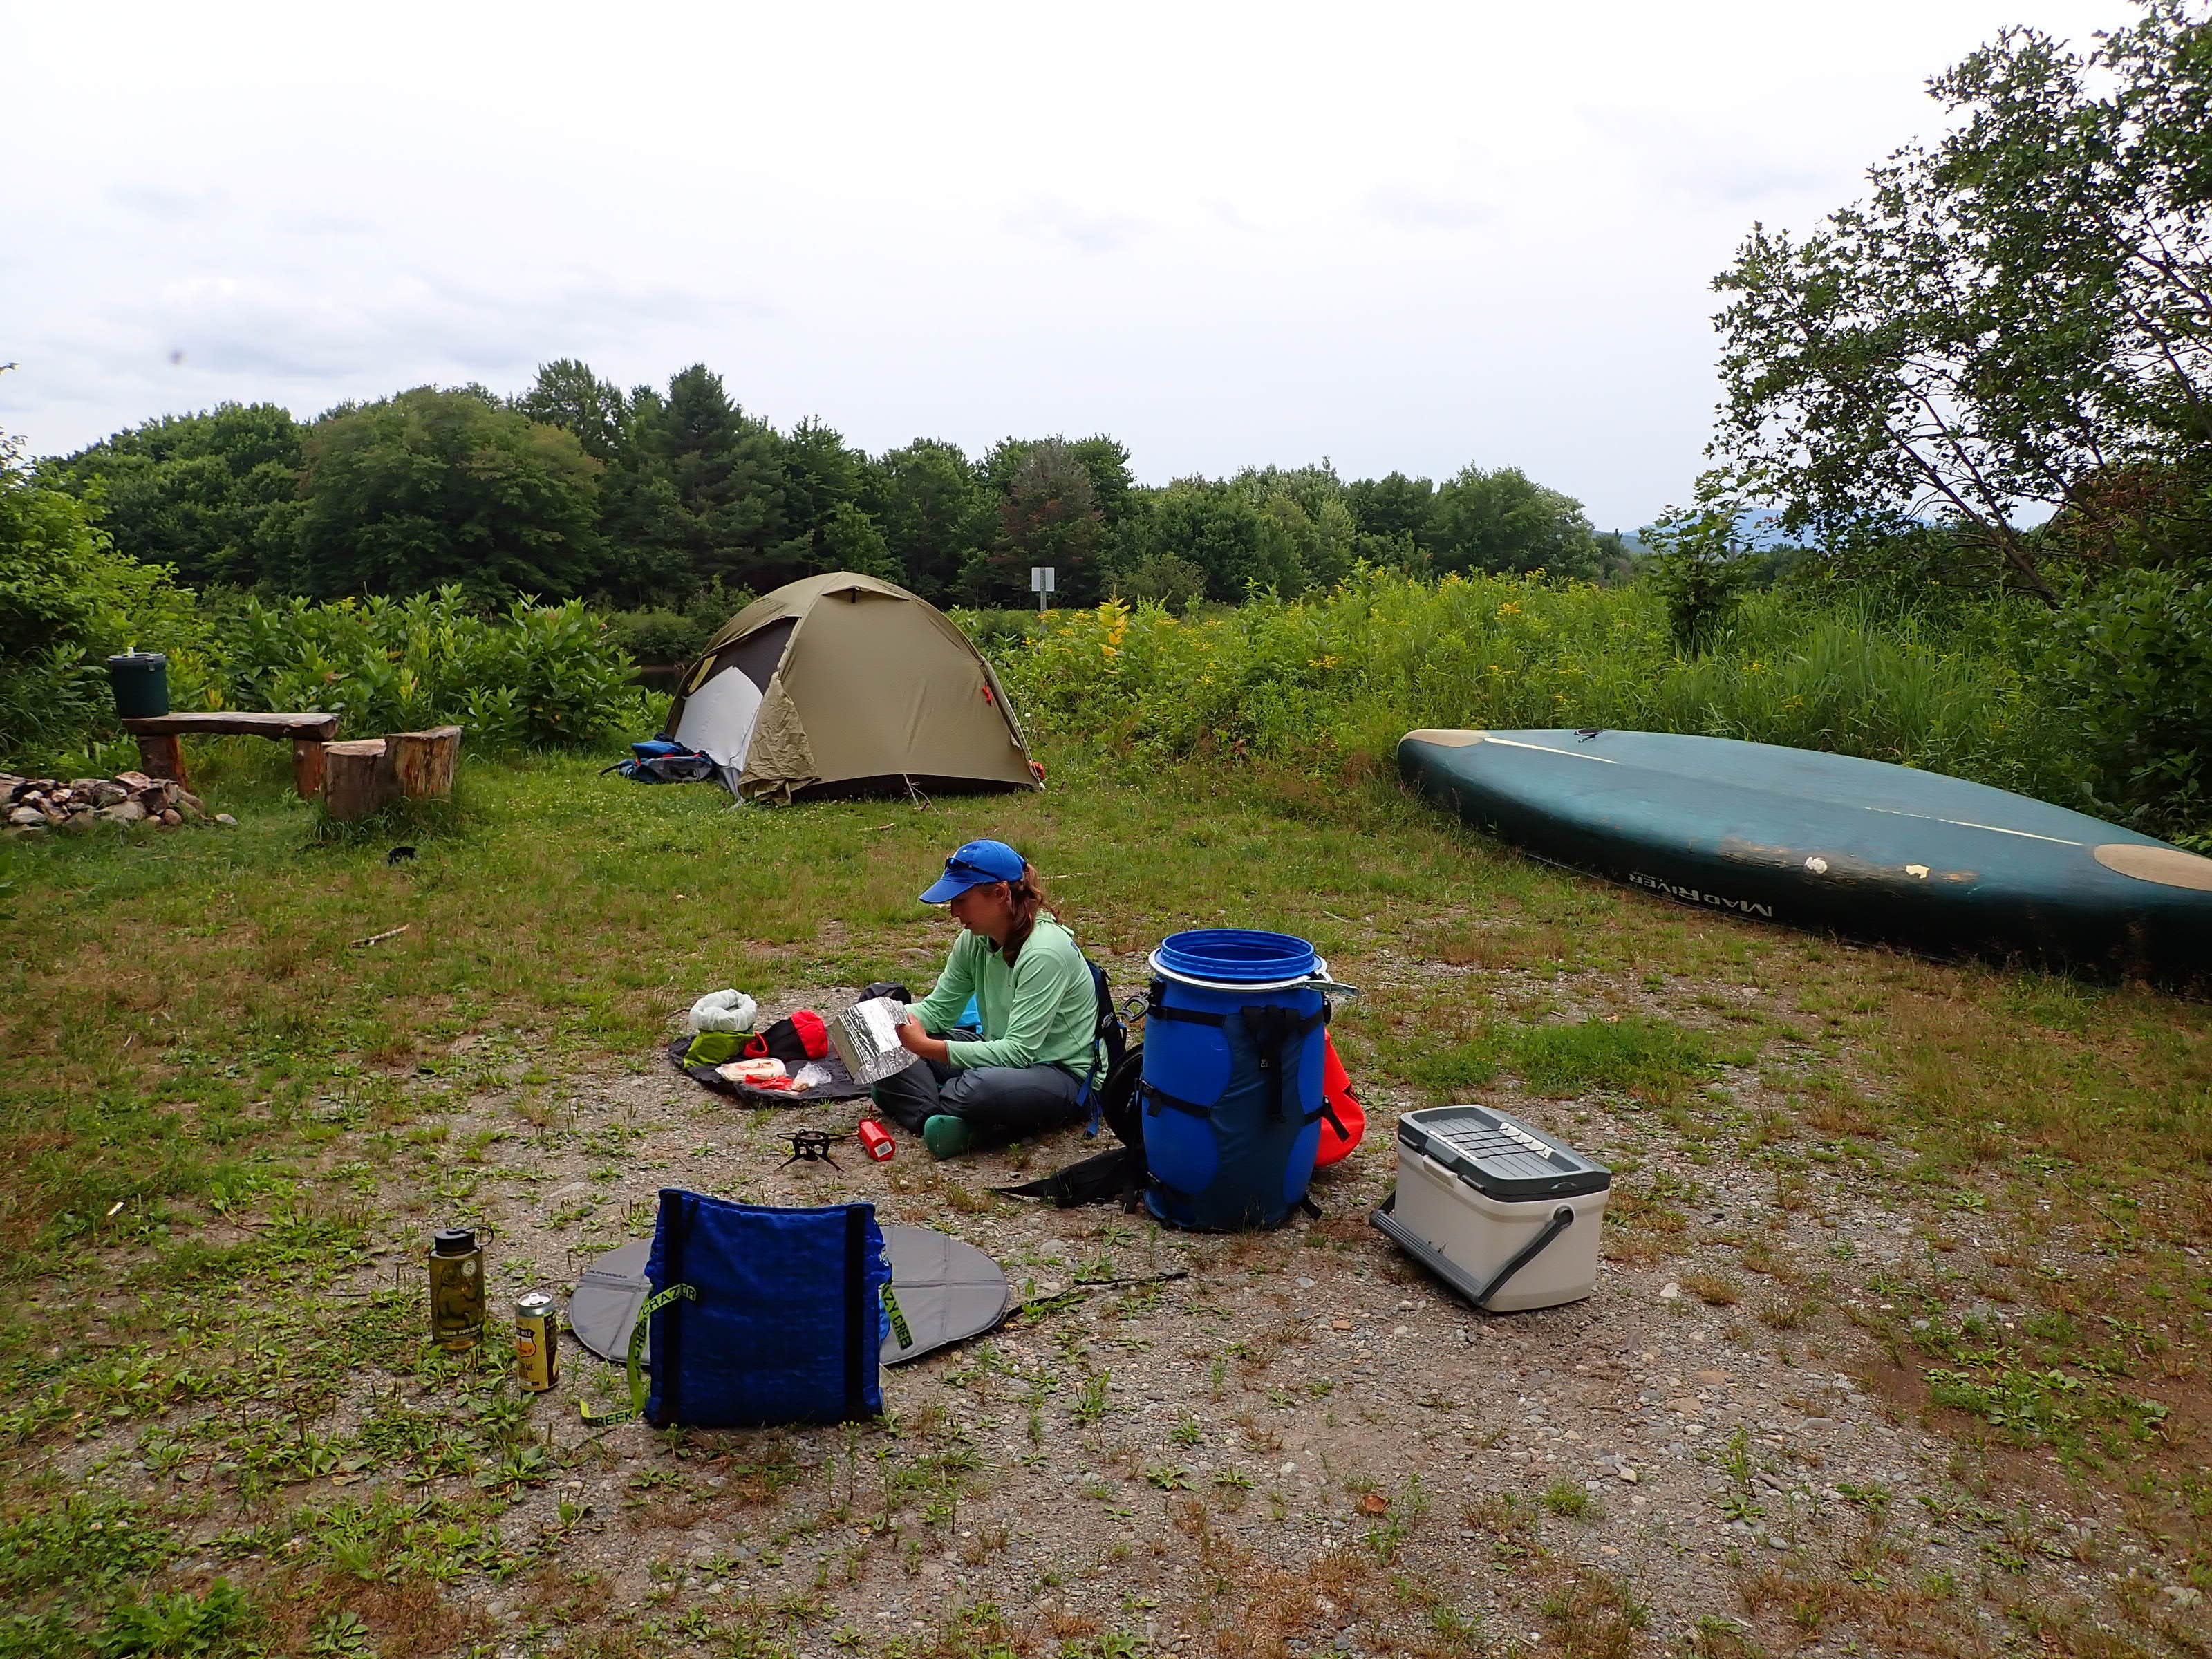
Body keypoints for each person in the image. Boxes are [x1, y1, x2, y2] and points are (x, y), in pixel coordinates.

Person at [873, 838, 1098, 1159]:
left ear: (1001, 893)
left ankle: (930, 1106)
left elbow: (1019, 1052)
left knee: (979, 1089)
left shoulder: (1044, 952)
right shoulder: (974, 939)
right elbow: (939, 1010)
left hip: (1060, 1073)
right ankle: (944, 1118)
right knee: (886, 1040)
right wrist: (890, 1022)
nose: (954, 912)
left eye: (962, 900)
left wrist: (923, 1048)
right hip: (997, 1050)